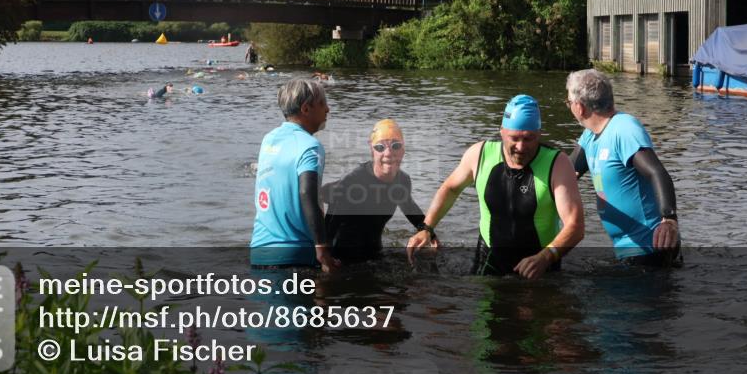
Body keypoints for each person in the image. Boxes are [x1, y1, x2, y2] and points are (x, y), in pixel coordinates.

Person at [407, 95, 584, 279]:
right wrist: (426, 228)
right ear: (502, 132)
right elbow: (451, 188)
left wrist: (546, 257)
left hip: (541, 264)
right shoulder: (480, 154)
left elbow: (575, 226)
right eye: (514, 138)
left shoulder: (557, 164)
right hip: (489, 260)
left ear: (539, 134)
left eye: (529, 138)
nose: (521, 147)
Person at [565, 69, 680, 265]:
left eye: (568, 102)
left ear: (579, 107)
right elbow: (566, 173)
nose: (569, 107)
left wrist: (669, 220)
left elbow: (656, 173)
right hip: (627, 249)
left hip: (650, 248)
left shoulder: (624, 129)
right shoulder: (590, 135)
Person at [250, 79, 339, 271]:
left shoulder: (269, 139)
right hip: (294, 257)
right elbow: (307, 192)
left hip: (259, 253)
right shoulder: (310, 146)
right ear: (306, 109)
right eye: (323, 103)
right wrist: (322, 249)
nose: (328, 109)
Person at [321, 120, 426, 263]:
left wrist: (429, 233)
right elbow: (328, 231)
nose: (388, 153)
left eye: (396, 146)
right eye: (380, 147)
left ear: (403, 149)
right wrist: (326, 262)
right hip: (342, 259)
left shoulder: (403, 181)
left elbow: (412, 212)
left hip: (376, 255)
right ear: (372, 149)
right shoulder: (353, 182)